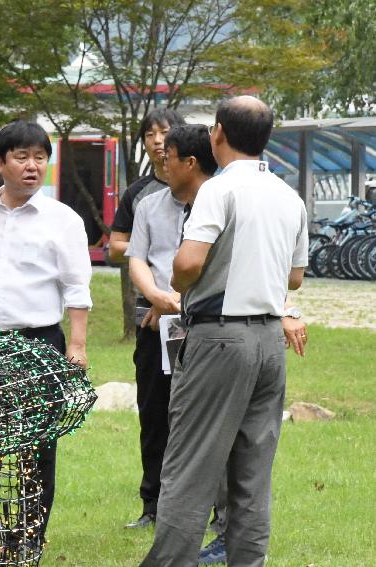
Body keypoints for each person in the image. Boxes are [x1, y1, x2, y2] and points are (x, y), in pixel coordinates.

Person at [140, 96, 309, 567]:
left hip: (219, 337)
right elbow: (294, 278)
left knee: (190, 466)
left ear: (217, 133)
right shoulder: (287, 194)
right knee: (252, 475)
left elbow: (189, 263)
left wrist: (178, 278)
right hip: (269, 341)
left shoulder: (219, 189)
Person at [0, 120, 92, 548]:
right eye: (22, 157)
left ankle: (27, 535)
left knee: (36, 447)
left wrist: (78, 346)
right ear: (0, 162)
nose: (32, 166)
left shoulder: (61, 219)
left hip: (38, 343)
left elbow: (77, 285)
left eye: (40, 158)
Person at [126, 124, 216, 534]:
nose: (163, 161)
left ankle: (216, 511)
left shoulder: (221, 205)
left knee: (208, 416)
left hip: (211, 324)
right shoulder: (149, 205)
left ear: (191, 161)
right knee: (156, 414)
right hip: (157, 324)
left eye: (170, 155)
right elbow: (138, 260)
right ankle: (153, 505)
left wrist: (178, 302)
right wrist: (159, 298)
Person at [108, 108, 185, 265]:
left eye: (164, 132)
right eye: (150, 135)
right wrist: (157, 247)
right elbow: (115, 248)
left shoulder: (201, 188)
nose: (157, 140)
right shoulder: (135, 193)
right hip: (151, 286)